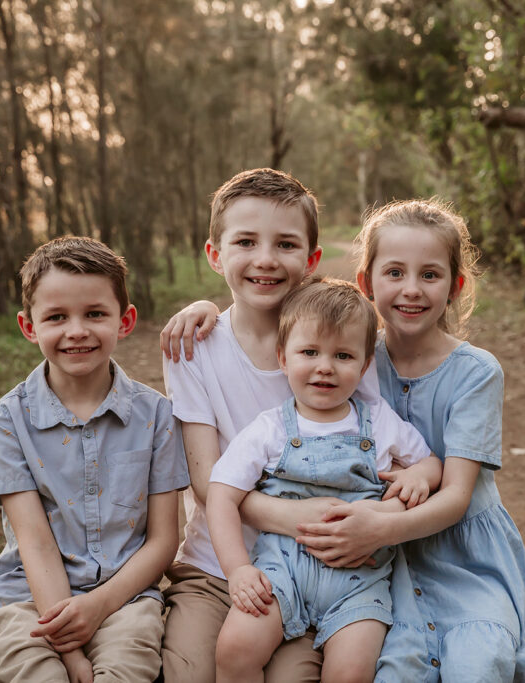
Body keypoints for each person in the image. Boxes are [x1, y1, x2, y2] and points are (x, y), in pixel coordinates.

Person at [164, 199, 525, 682]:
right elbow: (294, 309)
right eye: (394, 273)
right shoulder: (350, 352)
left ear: (455, 287)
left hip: (429, 549)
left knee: (467, 664)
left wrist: (388, 512)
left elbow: (447, 483)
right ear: (368, 283)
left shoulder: (436, 368)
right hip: (338, 556)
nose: (410, 290)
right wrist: (207, 306)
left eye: (429, 275)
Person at [162, 167, 390, 682]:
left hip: (316, 569)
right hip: (215, 566)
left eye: (285, 244)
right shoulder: (193, 348)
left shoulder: (339, 347)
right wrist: (307, 517)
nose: (265, 259)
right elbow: (206, 480)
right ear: (215, 255)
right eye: (245, 241)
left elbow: (382, 441)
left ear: (311, 261)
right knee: (192, 673)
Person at [0, 236, 188, 683]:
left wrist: (98, 606)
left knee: (126, 670)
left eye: (94, 313)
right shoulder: (6, 422)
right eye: (56, 317)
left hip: (125, 597)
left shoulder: (156, 415)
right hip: (27, 597)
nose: (76, 331)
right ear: (29, 326)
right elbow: (34, 543)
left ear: (124, 320)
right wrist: (71, 654)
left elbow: (163, 541)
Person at [207, 278, 441, 683]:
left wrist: (422, 473)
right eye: (309, 352)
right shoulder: (270, 429)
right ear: (283, 357)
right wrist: (239, 570)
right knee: (234, 650)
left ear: (365, 365)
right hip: (281, 574)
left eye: (343, 355)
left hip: (360, 581)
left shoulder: (379, 421)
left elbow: (432, 463)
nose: (325, 367)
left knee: (350, 673)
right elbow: (221, 495)